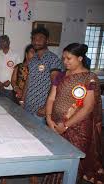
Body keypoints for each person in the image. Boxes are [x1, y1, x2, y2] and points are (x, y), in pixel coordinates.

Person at [43, 43, 103, 184]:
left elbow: (88, 107)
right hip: (56, 124)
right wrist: (49, 119)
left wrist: (66, 125)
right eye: (63, 58)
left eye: (69, 58)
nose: (65, 62)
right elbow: (51, 98)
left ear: (80, 58)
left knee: (72, 163)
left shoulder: (89, 78)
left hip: (78, 128)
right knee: (57, 159)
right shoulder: (61, 76)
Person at [23, 27, 63, 124]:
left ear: (47, 40)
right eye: (34, 39)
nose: (36, 41)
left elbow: (55, 85)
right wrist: (23, 99)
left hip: (41, 108)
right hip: (28, 105)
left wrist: (46, 107)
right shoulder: (33, 60)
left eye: (40, 38)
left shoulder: (53, 59)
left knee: (38, 136)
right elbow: (28, 80)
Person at [0, 35, 21, 102]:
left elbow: (18, 70)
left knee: (9, 108)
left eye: (4, 41)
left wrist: (10, 81)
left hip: (10, 87)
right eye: (0, 42)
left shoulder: (15, 55)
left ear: (9, 42)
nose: (1, 43)